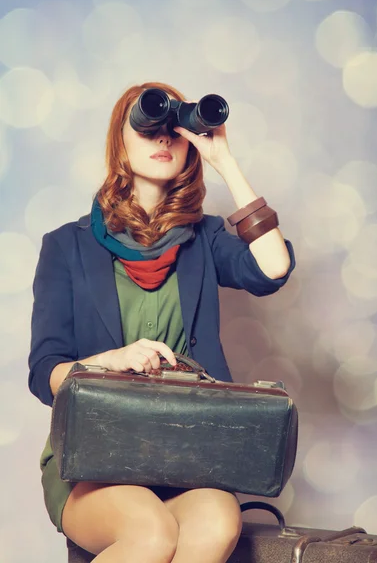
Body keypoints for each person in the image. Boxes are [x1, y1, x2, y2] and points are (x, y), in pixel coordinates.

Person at [28, 81, 296, 563]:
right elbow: (44, 372)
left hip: (189, 453)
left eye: (175, 130)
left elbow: (273, 267)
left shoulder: (205, 238)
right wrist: (109, 362)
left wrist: (225, 161)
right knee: (151, 534)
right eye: (149, 126)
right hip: (93, 461)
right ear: (119, 141)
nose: (164, 139)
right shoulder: (66, 246)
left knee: (219, 521)